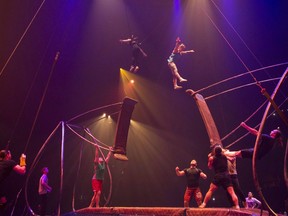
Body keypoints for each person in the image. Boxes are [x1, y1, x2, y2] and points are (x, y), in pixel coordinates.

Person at [199, 145, 240, 209]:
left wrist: (209, 159)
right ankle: (237, 206)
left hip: (218, 176)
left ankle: (204, 204)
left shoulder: (212, 158)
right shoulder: (225, 156)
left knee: (210, 190)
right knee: (232, 192)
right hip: (226, 176)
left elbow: (209, 167)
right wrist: (234, 157)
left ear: (215, 152)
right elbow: (232, 160)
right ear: (221, 151)